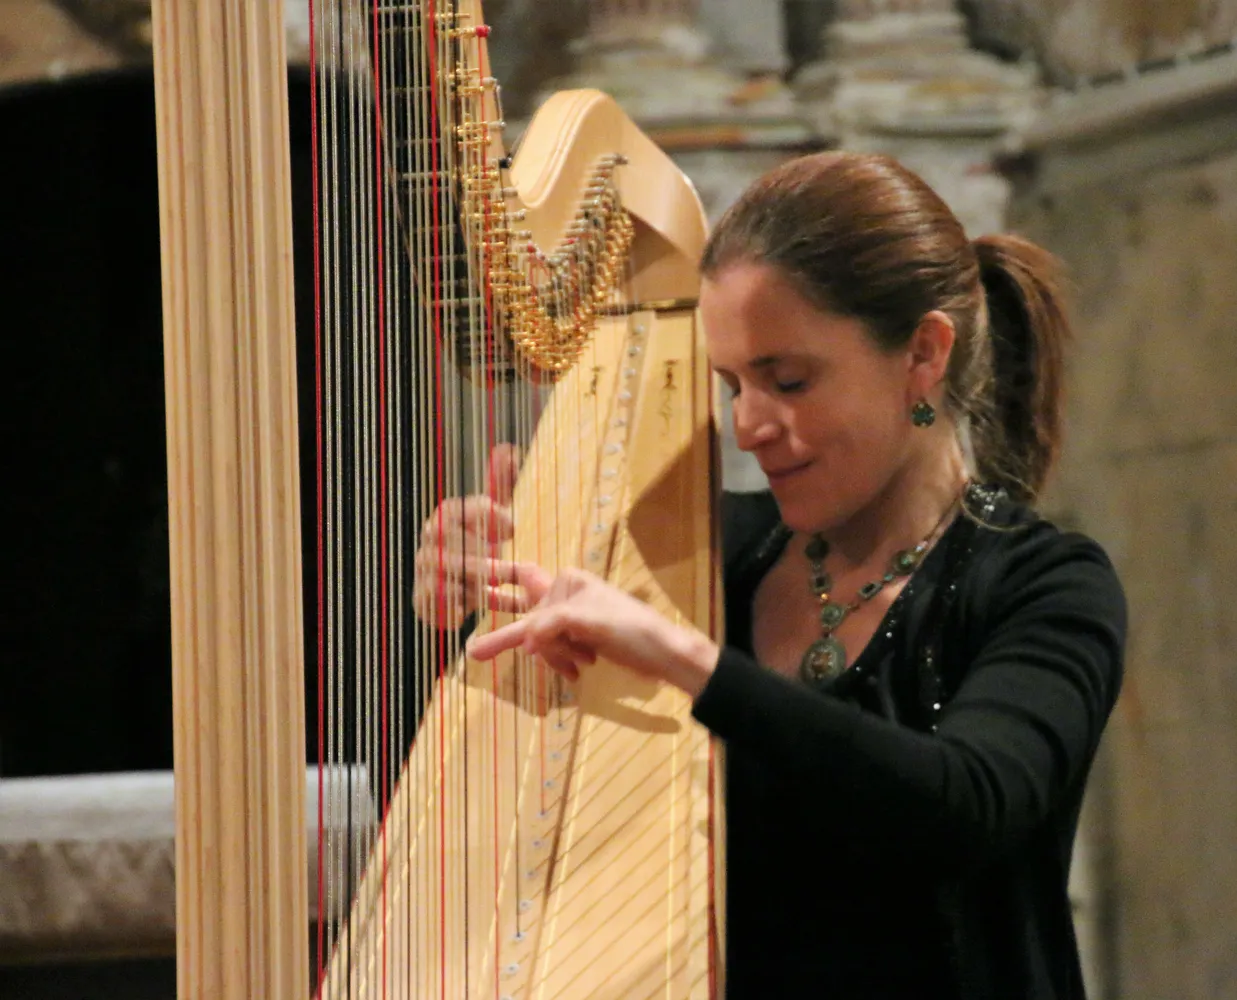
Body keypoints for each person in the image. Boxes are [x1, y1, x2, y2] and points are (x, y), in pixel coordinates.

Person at [415, 151, 1127, 1000]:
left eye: (787, 380)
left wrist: (689, 662)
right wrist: (470, 603)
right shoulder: (704, 553)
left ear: (923, 356)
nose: (748, 425)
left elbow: (961, 809)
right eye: (732, 385)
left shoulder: (1045, 586)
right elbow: (546, 781)